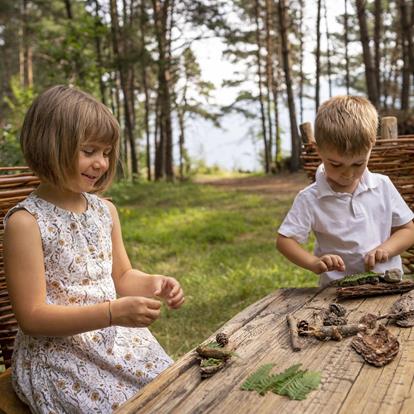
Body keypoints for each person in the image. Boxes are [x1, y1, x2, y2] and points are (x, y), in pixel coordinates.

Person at [3, 85, 185, 413]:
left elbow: (123, 276)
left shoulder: (104, 211)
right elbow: (32, 317)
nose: (101, 163)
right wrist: (112, 313)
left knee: (175, 392)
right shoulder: (26, 223)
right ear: (50, 146)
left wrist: (154, 282)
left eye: (105, 152)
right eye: (89, 151)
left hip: (115, 343)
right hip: (59, 356)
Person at [277, 95, 414, 287]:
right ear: (319, 150)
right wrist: (314, 263)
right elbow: (285, 241)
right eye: (336, 164)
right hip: (336, 291)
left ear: (371, 146)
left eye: (358, 163)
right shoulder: (310, 198)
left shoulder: (382, 185)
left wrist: (387, 249)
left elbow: (408, 230)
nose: (348, 174)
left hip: (387, 286)